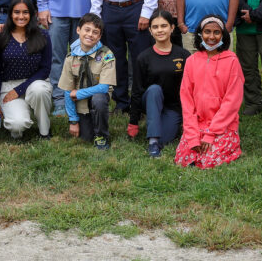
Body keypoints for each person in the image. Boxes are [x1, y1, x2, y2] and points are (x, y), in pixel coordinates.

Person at [174, 15, 244, 169]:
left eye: (216, 32)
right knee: (186, 158)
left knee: (208, 161)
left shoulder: (232, 61)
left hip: (222, 125)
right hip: (197, 124)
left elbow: (232, 101)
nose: (211, 37)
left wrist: (211, 133)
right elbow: (187, 100)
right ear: (200, 34)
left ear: (223, 36)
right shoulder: (192, 61)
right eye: (207, 32)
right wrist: (192, 135)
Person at [128, 9, 190, 157]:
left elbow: (189, 90)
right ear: (150, 30)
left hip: (172, 107)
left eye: (164, 26)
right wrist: (133, 122)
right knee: (154, 89)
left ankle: (159, 133)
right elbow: (136, 90)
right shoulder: (143, 57)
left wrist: (186, 119)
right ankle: (153, 142)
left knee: (167, 139)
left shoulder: (183, 55)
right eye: (155, 27)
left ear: (172, 28)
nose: (160, 30)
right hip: (149, 102)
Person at [0, 0, 53, 138]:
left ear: (32, 14)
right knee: (17, 127)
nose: (21, 16)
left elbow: (45, 69)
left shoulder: (43, 35)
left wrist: (20, 89)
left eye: (25, 12)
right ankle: (22, 112)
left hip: (35, 83)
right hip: (9, 87)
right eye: (16, 12)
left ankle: (44, 131)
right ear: (10, 14)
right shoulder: (0, 36)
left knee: (39, 91)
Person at [58, 13, 116, 149]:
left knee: (99, 99)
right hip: (81, 104)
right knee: (86, 137)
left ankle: (102, 136)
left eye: (95, 32)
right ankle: (88, 123)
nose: (90, 35)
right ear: (78, 30)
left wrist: (78, 93)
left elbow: (103, 87)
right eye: (87, 30)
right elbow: (67, 90)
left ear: (100, 36)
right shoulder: (70, 58)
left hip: (98, 98)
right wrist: (73, 121)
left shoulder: (107, 55)